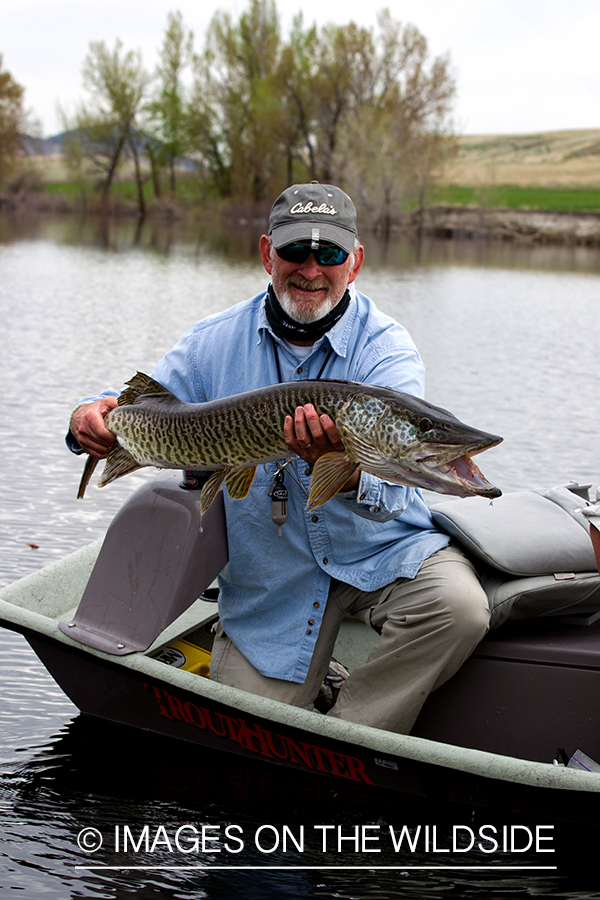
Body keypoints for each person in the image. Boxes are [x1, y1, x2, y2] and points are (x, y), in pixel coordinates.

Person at [68, 181, 490, 734]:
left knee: (459, 607)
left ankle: (351, 731)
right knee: (250, 725)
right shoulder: (212, 342)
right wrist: (88, 422)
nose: (311, 269)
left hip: (381, 555)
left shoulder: (387, 351)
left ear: (354, 262)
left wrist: (335, 469)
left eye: (330, 253)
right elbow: (142, 404)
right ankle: (308, 692)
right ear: (268, 253)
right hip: (275, 575)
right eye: (295, 251)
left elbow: (389, 497)